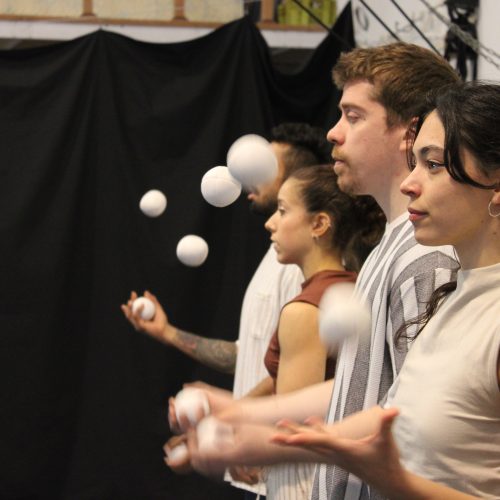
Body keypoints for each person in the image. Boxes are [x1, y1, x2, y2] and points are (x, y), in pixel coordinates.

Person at [179, 42, 461, 498]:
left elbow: (414, 417)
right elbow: (361, 390)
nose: (333, 132)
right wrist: (242, 413)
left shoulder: (427, 256)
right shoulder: (392, 245)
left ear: (409, 133)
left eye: (353, 116)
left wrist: (268, 443)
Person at [272, 81, 500, 499]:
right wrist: (263, 436)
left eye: (433, 165)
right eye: (415, 164)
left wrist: (396, 482)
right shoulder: (450, 297)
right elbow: (396, 413)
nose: (410, 183)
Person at [121, 123, 332, 498]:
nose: (245, 176)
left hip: (286, 472)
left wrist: (231, 425)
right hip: (263, 468)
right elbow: (255, 355)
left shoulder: (302, 271)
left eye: (261, 165)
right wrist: (169, 333)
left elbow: (296, 372)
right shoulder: (278, 258)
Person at [254, 165, 384, 500]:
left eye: (283, 211)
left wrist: (242, 445)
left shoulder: (304, 311)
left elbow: (294, 423)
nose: (270, 223)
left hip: (303, 478)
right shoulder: (356, 287)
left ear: (319, 224)